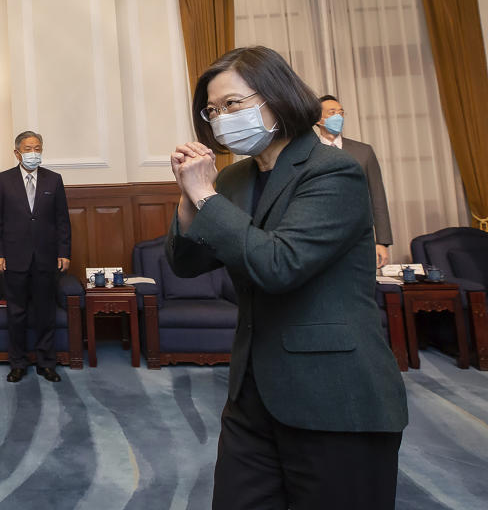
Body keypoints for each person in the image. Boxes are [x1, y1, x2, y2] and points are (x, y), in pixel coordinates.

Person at [167, 46, 407, 510]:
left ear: (276, 98)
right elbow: (186, 265)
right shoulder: (235, 179)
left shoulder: (335, 171)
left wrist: (204, 194)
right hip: (252, 395)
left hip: (335, 397)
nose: (221, 119)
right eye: (212, 110)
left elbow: (280, 265)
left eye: (233, 104)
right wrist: (187, 198)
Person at [0, 131, 71, 383]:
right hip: (14, 259)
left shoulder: (54, 180)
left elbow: (62, 222)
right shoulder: (2, 181)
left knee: (46, 312)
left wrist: (64, 252)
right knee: (17, 313)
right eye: (28, 148)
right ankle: (18, 363)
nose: (33, 153)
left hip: (46, 259)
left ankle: (47, 363)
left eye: (37, 148)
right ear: (17, 153)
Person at [316, 94, 393, 267]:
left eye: (341, 112)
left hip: (358, 237)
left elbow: (377, 197)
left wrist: (382, 241)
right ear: (317, 119)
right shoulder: (309, 151)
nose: (338, 116)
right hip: (319, 236)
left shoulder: (363, 152)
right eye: (332, 112)